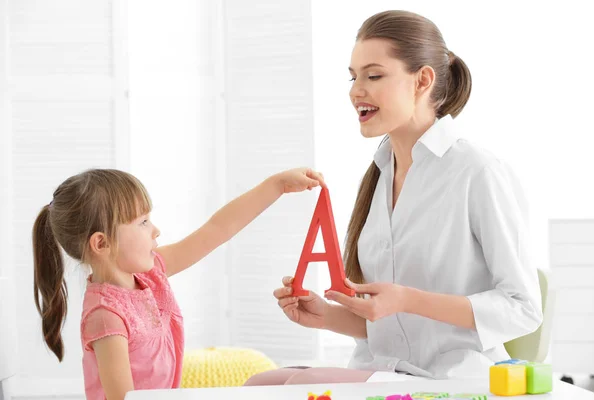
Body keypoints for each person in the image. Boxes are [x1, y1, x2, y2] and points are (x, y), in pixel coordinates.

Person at [245, 9, 542, 385]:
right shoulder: (380, 175)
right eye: (353, 77)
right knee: (259, 384)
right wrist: (324, 315)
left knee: (293, 386)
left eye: (374, 75)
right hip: (387, 371)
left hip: (452, 378)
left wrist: (407, 299)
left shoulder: (476, 171)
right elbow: (391, 326)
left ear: (422, 81)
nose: (356, 90)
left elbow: (523, 309)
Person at [32, 167, 325, 400]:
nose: (156, 230)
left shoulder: (150, 274)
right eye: (142, 222)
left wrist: (275, 185)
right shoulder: (106, 316)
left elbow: (217, 229)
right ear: (102, 242)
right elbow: (124, 399)